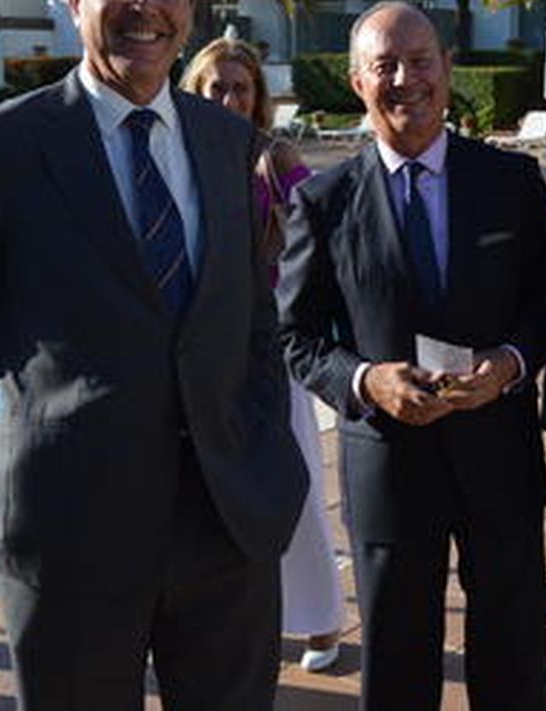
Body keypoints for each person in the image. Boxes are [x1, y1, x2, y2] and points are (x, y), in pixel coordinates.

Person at [0, 0, 306, 709]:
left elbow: (251, 315)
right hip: (69, 525)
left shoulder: (229, 143)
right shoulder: (0, 145)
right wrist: (66, 389)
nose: (143, 4)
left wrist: (263, 449)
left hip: (225, 521)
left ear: (191, 7)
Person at [278, 1, 546, 710]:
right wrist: (367, 379)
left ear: (448, 67)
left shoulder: (513, 183)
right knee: (398, 663)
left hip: (499, 453)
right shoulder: (322, 201)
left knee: (514, 654)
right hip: (390, 463)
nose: (407, 78)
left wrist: (512, 363)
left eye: (421, 60)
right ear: (357, 81)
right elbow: (293, 335)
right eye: (386, 65)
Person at [179, 36, 343, 673]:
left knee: (292, 481)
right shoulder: (175, 153)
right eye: (215, 87)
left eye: (239, 87)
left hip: (270, 349)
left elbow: (319, 238)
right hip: (196, 352)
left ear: (257, 98)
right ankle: (239, 619)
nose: (227, 97)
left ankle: (320, 619)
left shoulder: (272, 159)